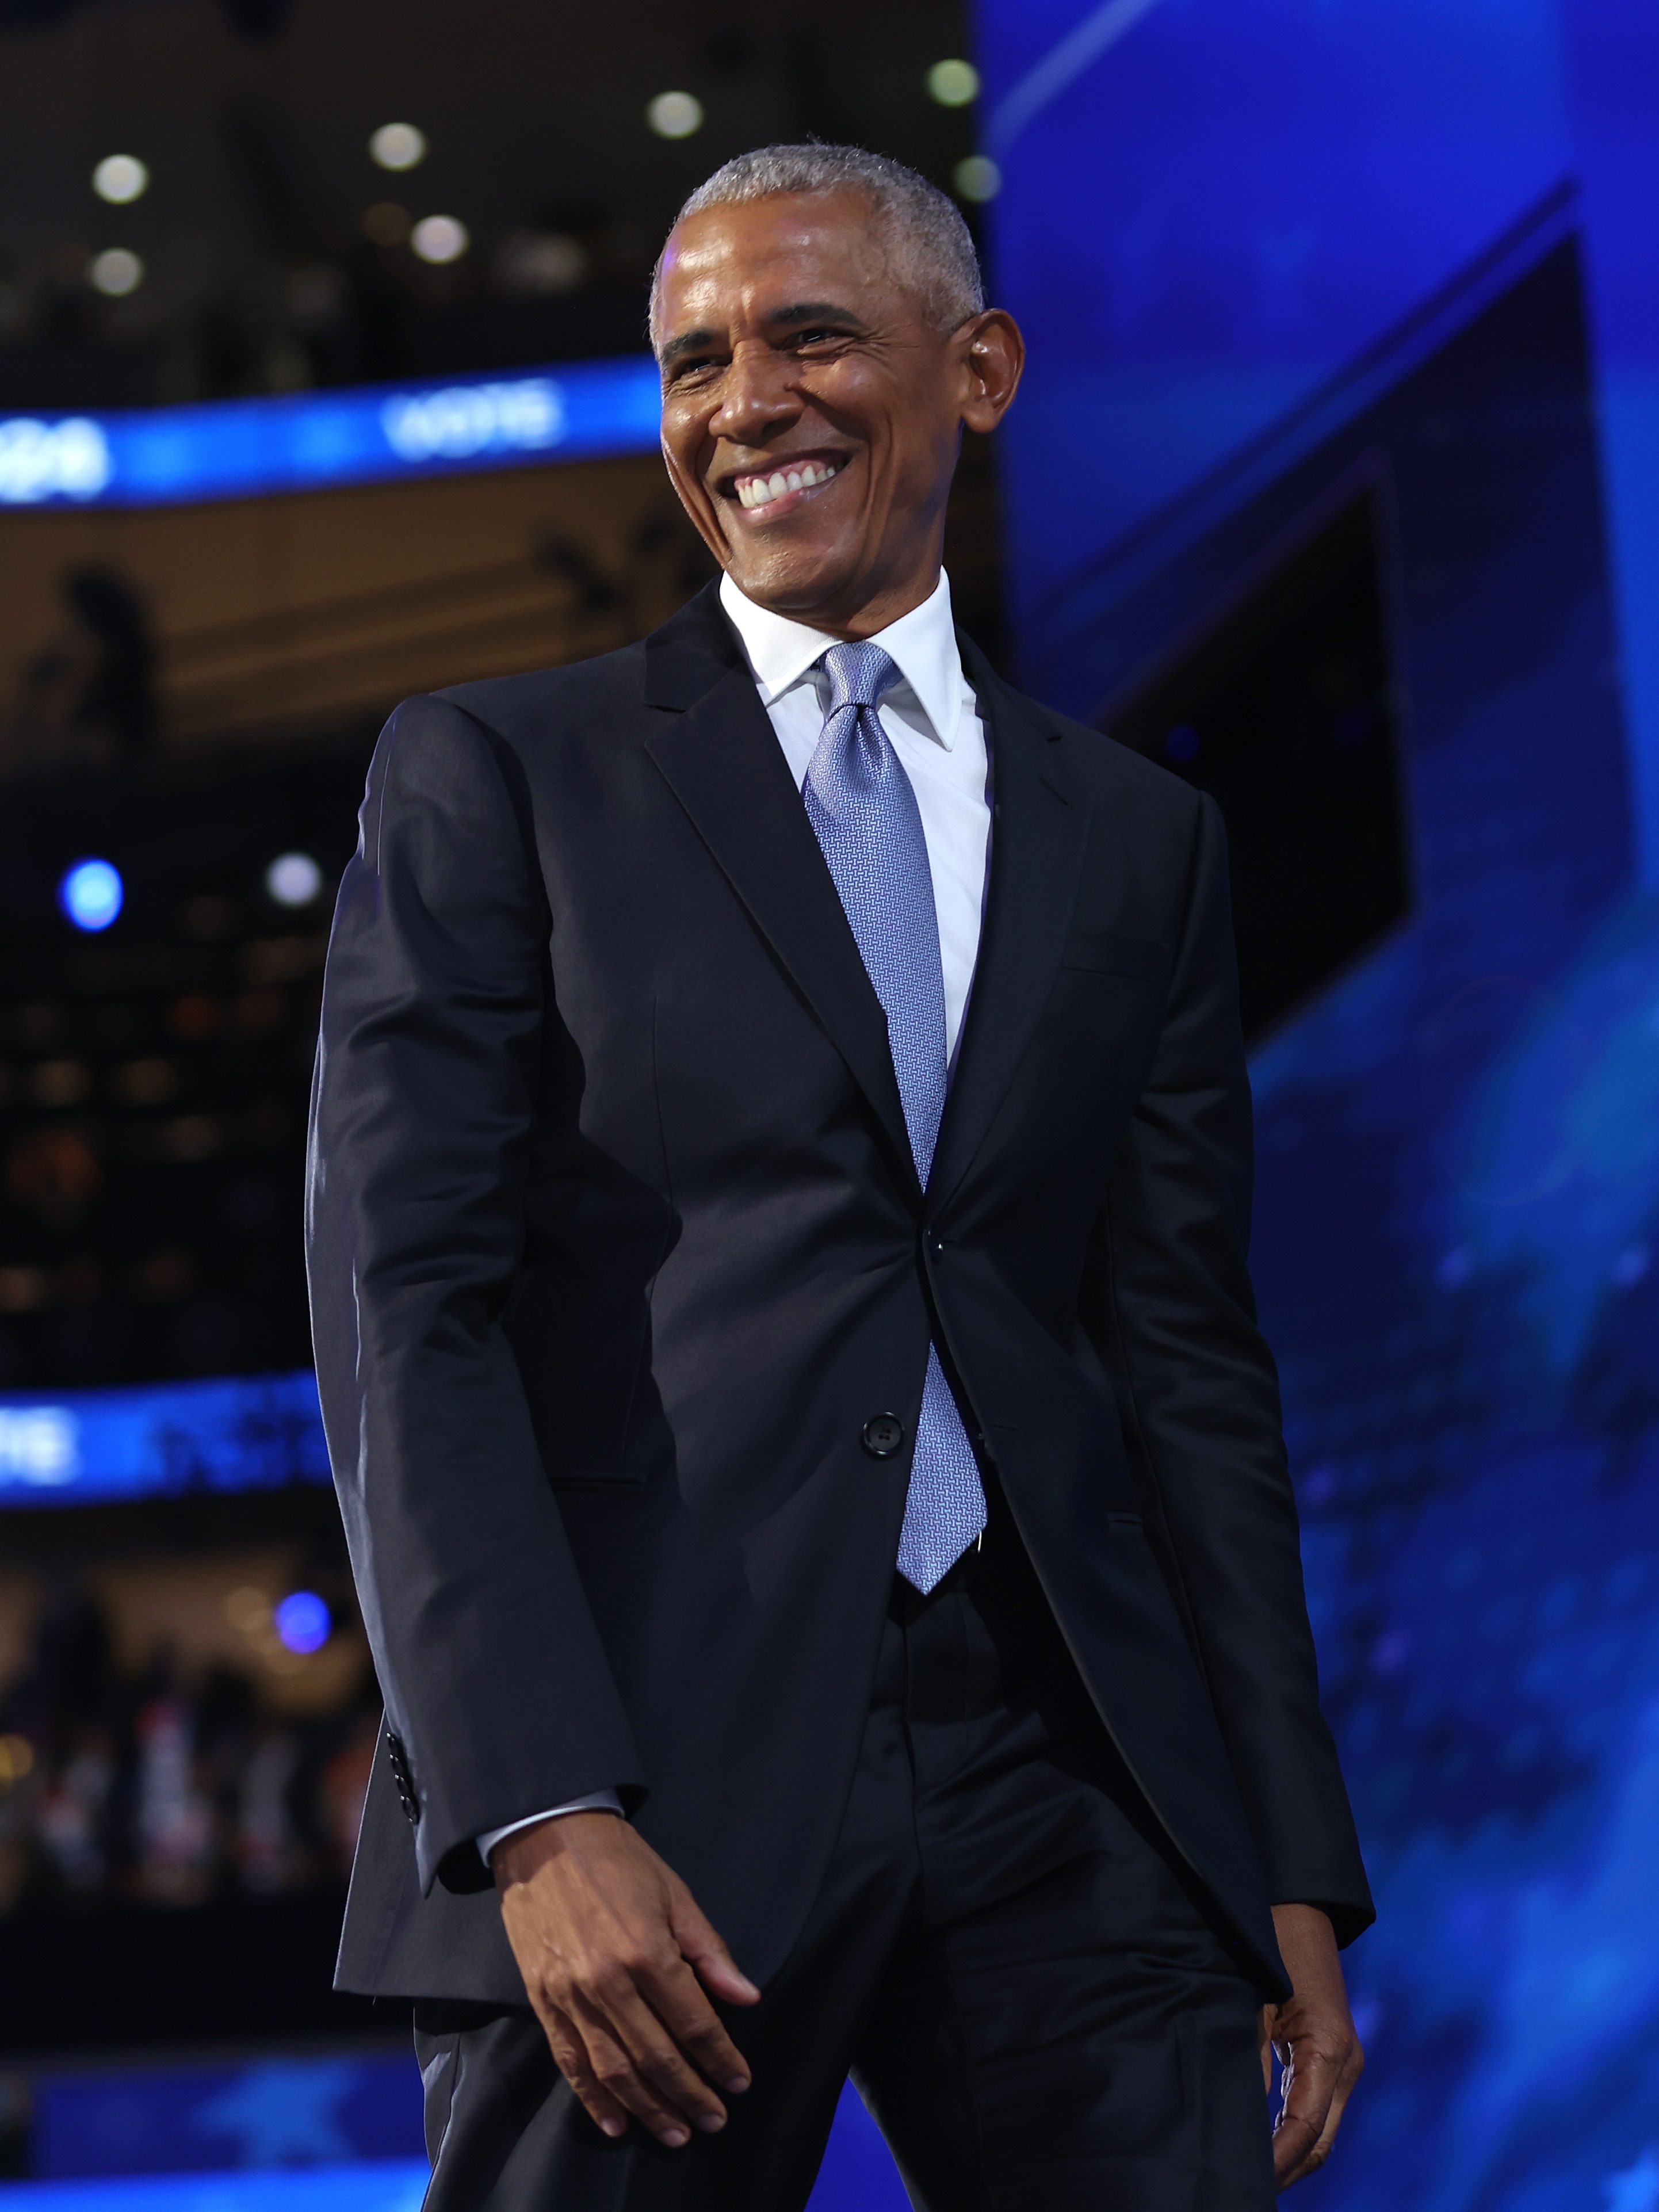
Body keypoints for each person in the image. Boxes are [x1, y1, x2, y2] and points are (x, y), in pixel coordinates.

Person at [307, 143, 1373, 2211]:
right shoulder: (497, 774)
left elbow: (1184, 1373)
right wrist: (536, 1810)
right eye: (693, 361)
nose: (741, 405)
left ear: (976, 369)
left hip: (1075, 1785)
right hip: (645, 1784)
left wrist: (1284, 1855)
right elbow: (400, 1325)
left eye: (807, 337)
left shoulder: (1137, 841)